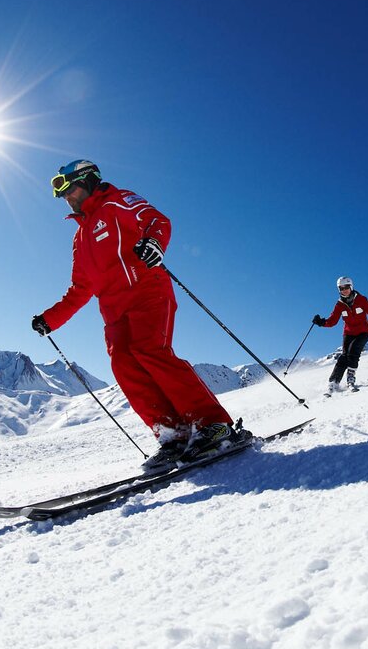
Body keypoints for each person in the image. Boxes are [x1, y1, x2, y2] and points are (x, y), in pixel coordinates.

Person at [31, 160, 242, 471]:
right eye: (60, 193)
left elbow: (157, 220)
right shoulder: (80, 239)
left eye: (68, 188)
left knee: (150, 351)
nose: (66, 197)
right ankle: (174, 435)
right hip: (114, 313)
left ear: (87, 181)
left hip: (147, 292)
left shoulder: (118, 200)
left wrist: (154, 243)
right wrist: (51, 319)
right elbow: (79, 289)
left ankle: (214, 425)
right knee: (124, 365)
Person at [312, 276, 368, 396]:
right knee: (344, 356)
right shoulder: (339, 305)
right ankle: (333, 383)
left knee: (353, 351)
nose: (344, 290)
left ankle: (350, 380)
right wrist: (321, 322)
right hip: (349, 332)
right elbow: (333, 321)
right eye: (341, 288)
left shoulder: (361, 299)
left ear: (351, 287)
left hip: (364, 331)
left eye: (346, 287)